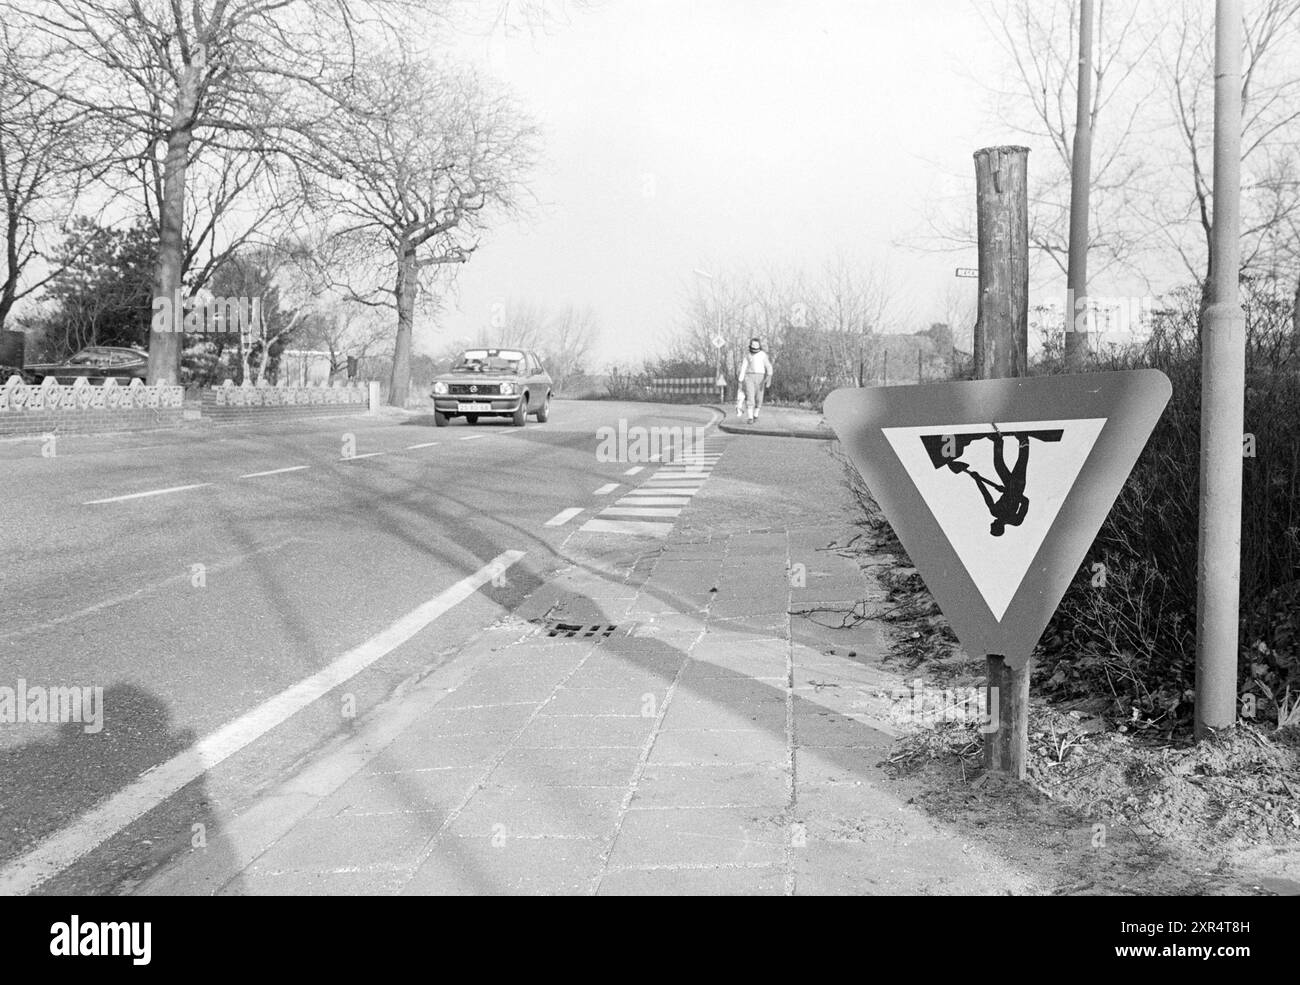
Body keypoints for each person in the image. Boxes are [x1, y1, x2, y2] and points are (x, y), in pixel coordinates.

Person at [738, 337, 773, 424]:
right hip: (749, 377)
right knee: (750, 397)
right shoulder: (747, 355)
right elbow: (743, 368)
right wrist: (740, 380)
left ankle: (755, 414)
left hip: (760, 378)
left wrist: (769, 376)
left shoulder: (763, 355)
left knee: (759, 398)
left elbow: (768, 366)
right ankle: (750, 417)